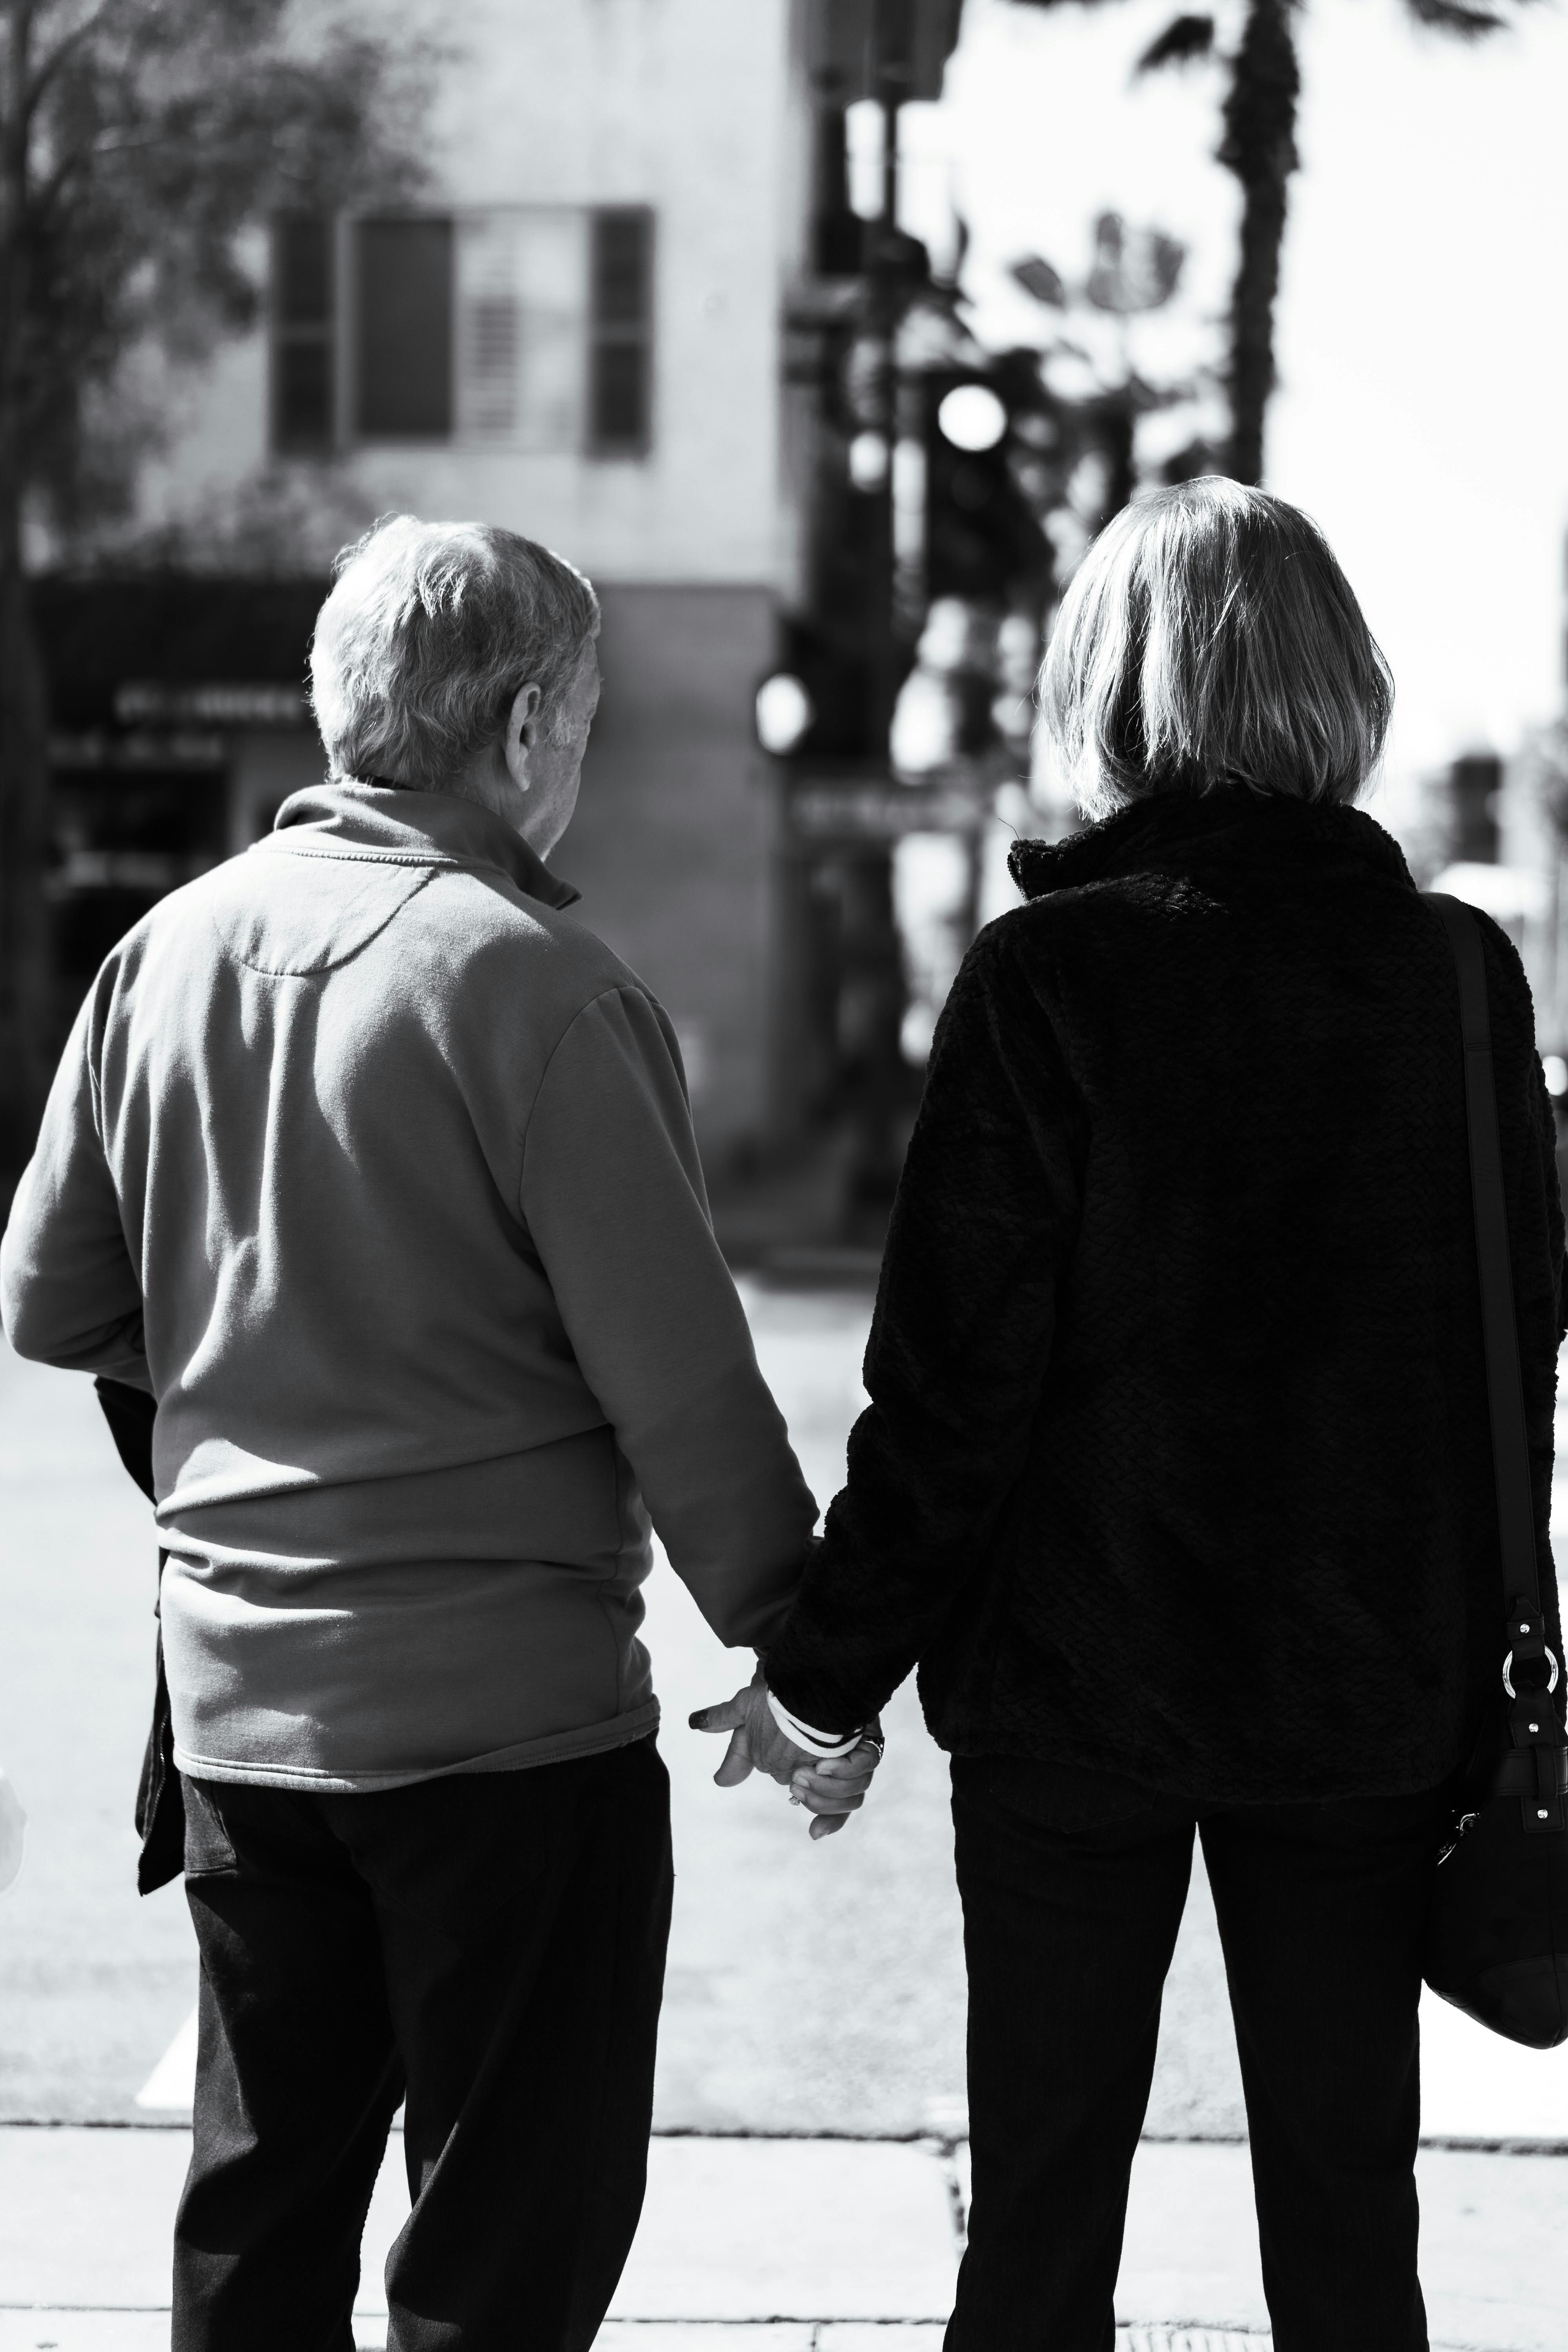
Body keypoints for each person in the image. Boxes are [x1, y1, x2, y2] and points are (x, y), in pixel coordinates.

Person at [0, 515, 878, 2352]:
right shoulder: (544, 994)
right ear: (531, 724)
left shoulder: (162, 957)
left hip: (244, 1721)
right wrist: (808, 1667)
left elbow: (47, 1299)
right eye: (591, 718)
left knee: (262, 2209)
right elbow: (684, 1392)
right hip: (506, 1739)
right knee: (501, 2249)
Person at [746, 479, 1567, 2350]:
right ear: (1331, 684)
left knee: (1039, 2216)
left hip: (1074, 1698)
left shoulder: (1054, 975)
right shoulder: (1456, 974)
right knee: (1353, 2214)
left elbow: (951, 1396)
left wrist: (820, 1677)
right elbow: (1515, 1350)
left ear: (1113, 686)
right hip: (1369, 1691)